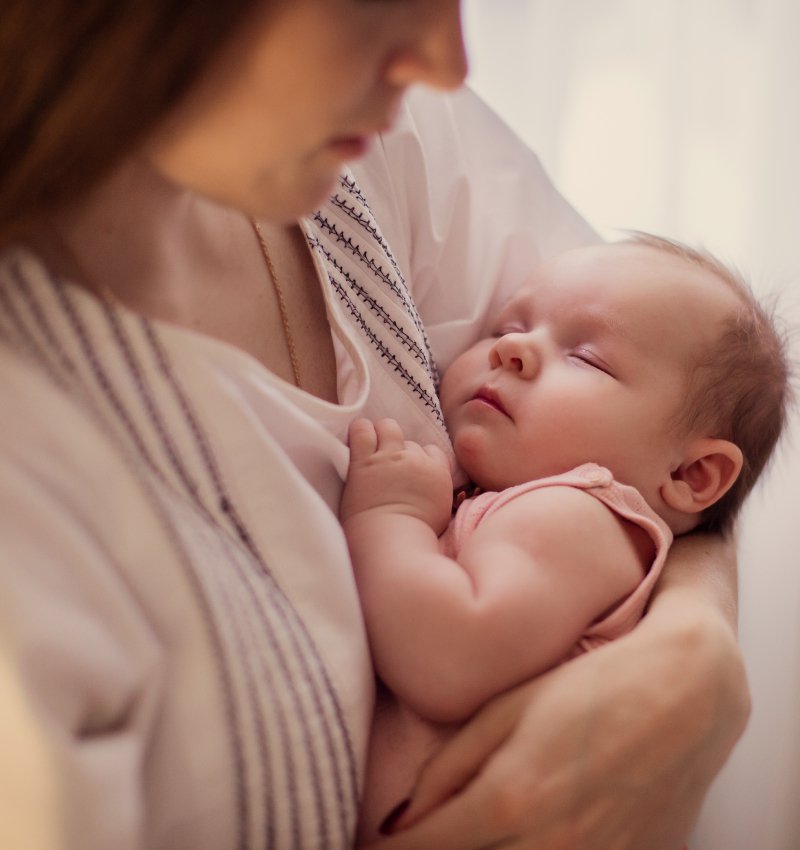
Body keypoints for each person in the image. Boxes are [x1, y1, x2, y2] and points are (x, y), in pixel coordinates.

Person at [0, 2, 751, 849]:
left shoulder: (375, 134)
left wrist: (695, 647)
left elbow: (682, 398)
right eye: (376, 1)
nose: (446, 62)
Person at [341, 234, 790, 841]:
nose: (512, 349)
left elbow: (451, 656)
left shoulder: (580, 513)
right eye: (507, 325)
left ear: (691, 475)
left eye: (586, 358)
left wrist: (388, 516)